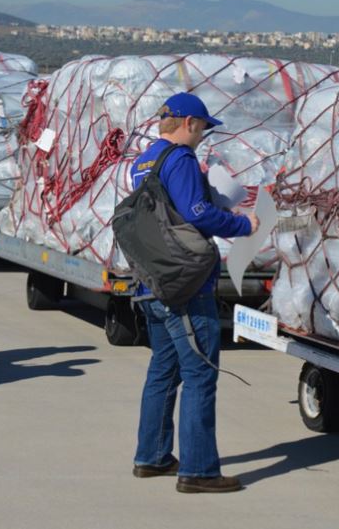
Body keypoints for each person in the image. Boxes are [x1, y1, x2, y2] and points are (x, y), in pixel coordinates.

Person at [129, 92, 258, 493]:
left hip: (151, 280)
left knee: (162, 373)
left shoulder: (143, 160)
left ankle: (152, 457)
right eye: (203, 127)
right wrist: (243, 224)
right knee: (201, 375)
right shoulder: (181, 159)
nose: (203, 134)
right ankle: (200, 471)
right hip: (184, 286)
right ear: (187, 123)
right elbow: (196, 214)